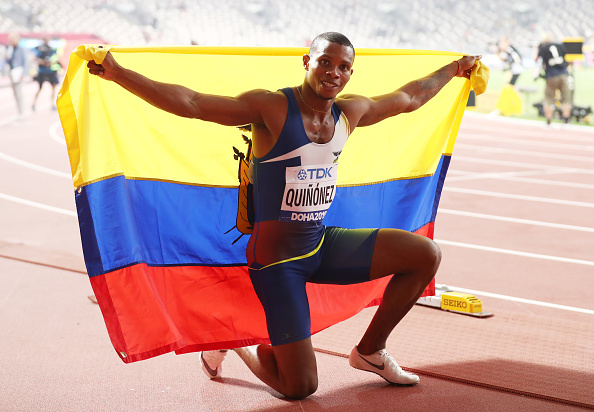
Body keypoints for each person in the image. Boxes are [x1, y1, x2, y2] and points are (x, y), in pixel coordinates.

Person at [87, 32, 480, 400]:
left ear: (350, 73)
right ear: (307, 61)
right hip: (277, 263)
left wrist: (454, 69)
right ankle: (238, 343)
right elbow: (192, 103)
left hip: (321, 243)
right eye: (325, 62)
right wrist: (119, 74)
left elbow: (409, 97)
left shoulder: (350, 112)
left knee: (425, 254)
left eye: (343, 67)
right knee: (300, 387)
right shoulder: (272, 107)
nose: (334, 72)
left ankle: (370, 350)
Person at [536, 33, 571, 124]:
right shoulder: (560, 45)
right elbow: (566, 57)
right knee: (566, 97)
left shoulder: (543, 47)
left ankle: (548, 118)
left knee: (549, 98)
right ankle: (566, 118)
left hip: (551, 75)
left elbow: (537, 59)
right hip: (563, 73)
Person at [2, 33, 28, 119]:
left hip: (18, 73)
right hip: (12, 73)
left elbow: (25, 62)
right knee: (15, 93)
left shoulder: (21, 49)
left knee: (19, 93)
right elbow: (9, 61)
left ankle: (21, 112)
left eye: (12, 40)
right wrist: (6, 57)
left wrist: (23, 73)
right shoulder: (10, 49)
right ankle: (19, 111)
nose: (10, 42)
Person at [32, 37, 61, 111]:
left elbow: (55, 58)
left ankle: (52, 104)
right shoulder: (39, 49)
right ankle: (34, 103)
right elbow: (35, 58)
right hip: (42, 71)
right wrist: (41, 61)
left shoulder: (51, 49)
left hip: (50, 71)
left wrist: (51, 62)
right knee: (40, 88)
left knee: (53, 87)